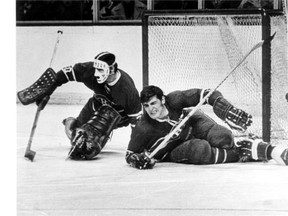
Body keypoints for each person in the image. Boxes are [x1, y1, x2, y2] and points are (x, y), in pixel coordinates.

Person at [18, 51, 141, 160]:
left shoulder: (127, 90)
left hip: (116, 116)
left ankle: (95, 134)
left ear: (112, 70)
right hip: (96, 104)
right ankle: (70, 122)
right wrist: (47, 91)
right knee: (75, 135)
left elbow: (136, 123)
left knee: (88, 148)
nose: (96, 74)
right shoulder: (90, 71)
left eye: (101, 70)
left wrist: (134, 150)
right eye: (96, 69)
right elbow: (62, 75)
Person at [125, 85, 253, 169]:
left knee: (223, 136)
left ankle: (237, 144)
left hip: (192, 124)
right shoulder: (142, 127)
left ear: (163, 100)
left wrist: (220, 104)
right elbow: (129, 155)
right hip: (173, 148)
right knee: (199, 149)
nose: (150, 109)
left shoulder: (174, 99)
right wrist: (137, 160)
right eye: (146, 105)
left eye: (153, 103)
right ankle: (239, 152)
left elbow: (204, 94)